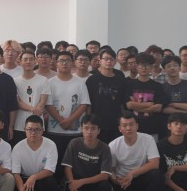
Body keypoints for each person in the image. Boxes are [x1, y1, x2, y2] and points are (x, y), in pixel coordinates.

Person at [106, 112, 163, 191]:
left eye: (131, 124)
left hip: (141, 179)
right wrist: (114, 178)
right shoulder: (113, 145)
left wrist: (132, 173)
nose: (128, 128)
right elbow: (110, 168)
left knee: (156, 175)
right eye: (124, 125)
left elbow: (155, 163)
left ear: (137, 126)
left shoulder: (148, 139)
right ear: (120, 129)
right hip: (122, 182)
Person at [47, 50, 91, 182]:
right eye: (61, 60)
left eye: (67, 60)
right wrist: (61, 120)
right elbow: (48, 104)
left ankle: (72, 186)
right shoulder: (50, 82)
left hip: (75, 131)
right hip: (55, 130)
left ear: (72, 63)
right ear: (56, 63)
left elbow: (84, 104)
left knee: (74, 162)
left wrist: (70, 120)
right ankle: (56, 187)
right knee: (56, 160)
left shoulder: (80, 83)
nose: (64, 63)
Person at [62, 114, 113, 191]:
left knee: (106, 186)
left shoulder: (105, 148)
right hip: (76, 183)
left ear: (99, 131)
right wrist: (73, 188)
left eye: (93, 128)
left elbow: (105, 175)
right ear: (81, 129)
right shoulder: (74, 143)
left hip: (94, 183)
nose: (89, 132)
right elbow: (67, 167)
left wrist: (81, 182)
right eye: (86, 128)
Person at [10, 115, 59, 191]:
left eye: (37, 129)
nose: (33, 133)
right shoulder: (18, 147)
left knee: (51, 182)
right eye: (29, 129)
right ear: (25, 130)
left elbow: (50, 171)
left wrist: (34, 177)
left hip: (40, 180)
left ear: (42, 130)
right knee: (11, 186)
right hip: (24, 181)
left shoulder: (50, 145)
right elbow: (15, 173)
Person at [86, 49, 127, 143]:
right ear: (100, 61)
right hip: (97, 122)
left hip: (115, 122)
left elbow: (122, 103)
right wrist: (89, 120)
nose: (109, 61)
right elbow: (88, 103)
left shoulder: (121, 80)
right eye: (106, 59)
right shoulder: (92, 79)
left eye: (111, 59)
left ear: (115, 61)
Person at [124, 52, 168, 137]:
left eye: (147, 65)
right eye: (141, 65)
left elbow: (158, 108)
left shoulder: (158, 86)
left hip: (153, 128)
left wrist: (136, 106)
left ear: (151, 67)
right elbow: (129, 105)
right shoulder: (129, 85)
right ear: (137, 66)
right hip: (133, 128)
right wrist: (150, 104)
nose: (144, 68)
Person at [12, 51, 50, 146]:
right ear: (20, 62)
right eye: (25, 59)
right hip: (20, 124)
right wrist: (33, 109)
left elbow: (43, 100)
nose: (28, 62)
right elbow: (17, 101)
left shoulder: (43, 80)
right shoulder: (15, 81)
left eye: (31, 59)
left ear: (35, 61)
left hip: (38, 124)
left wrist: (38, 109)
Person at [160, 55, 187, 138]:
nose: (172, 68)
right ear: (164, 70)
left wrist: (174, 104)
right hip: (168, 129)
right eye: (169, 66)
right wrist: (184, 111)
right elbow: (163, 109)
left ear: (179, 67)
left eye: (175, 65)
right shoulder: (162, 88)